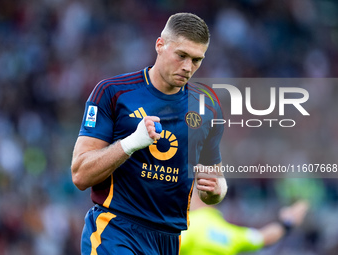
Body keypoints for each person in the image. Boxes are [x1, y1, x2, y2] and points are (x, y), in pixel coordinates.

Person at [71, 13, 227, 255]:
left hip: (169, 240)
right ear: (160, 45)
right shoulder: (113, 93)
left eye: (197, 60)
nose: (188, 67)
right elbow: (80, 174)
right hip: (116, 230)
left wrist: (217, 191)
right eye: (182, 55)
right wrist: (131, 143)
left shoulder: (206, 107)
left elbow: (214, 182)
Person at [180, 189, 309, 255]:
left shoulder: (188, 226)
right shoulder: (231, 234)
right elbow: (264, 237)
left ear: (196, 198)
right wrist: (287, 222)